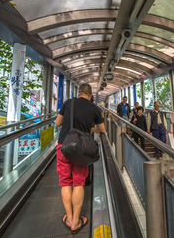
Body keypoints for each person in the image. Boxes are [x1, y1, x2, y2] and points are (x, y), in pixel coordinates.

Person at [56, 83, 105, 234]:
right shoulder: (94, 108)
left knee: (65, 183)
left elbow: (58, 123)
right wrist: (91, 129)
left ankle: (69, 218)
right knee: (78, 183)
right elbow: (102, 129)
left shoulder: (68, 103)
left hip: (63, 145)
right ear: (90, 95)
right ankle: (76, 222)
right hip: (81, 149)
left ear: (78, 93)